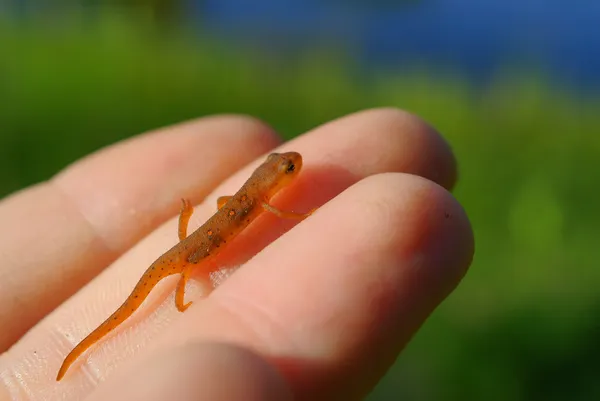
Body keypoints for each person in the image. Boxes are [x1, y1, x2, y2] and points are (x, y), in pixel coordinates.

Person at [0, 108, 473, 400]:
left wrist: (192, 225)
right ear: (275, 176)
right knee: (132, 308)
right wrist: (185, 279)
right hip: (184, 257)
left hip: (187, 248)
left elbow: (239, 206)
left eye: (286, 164)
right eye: (288, 166)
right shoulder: (258, 199)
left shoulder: (255, 196)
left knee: (171, 271)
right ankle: (95, 341)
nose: (293, 167)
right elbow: (255, 212)